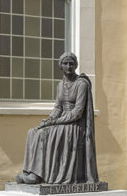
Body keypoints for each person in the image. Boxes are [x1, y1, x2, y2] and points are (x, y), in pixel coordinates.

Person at [16, 52, 99, 185]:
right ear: (61, 66)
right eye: (65, 63)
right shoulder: (60, 85)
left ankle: (38, 175)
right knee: (33, 132)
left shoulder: (81, 84)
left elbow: (77, 112)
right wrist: (49, 120)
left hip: (75, 125)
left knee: (44, 134)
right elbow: (58, 108)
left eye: (71, 64)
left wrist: (54, 122)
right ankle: (29, 171)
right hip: (62, 121)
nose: (68, 66)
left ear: (76, 65)